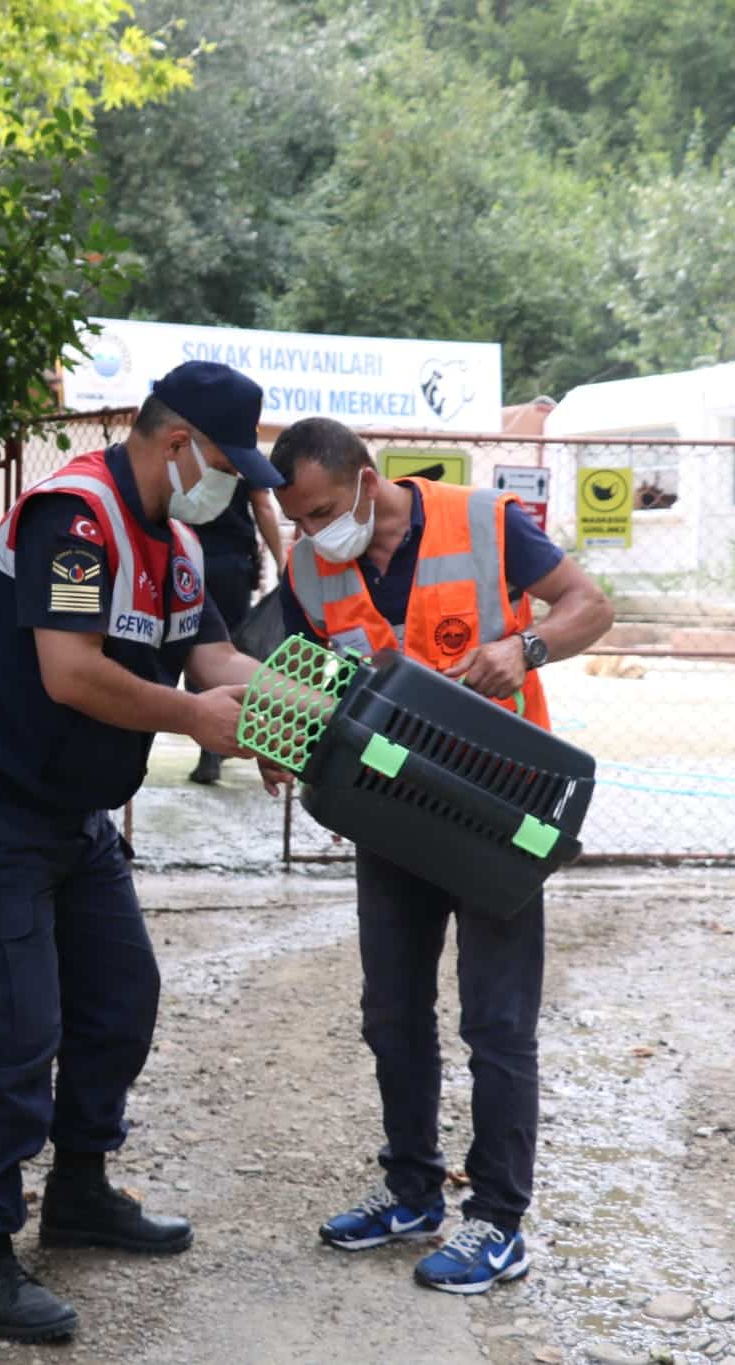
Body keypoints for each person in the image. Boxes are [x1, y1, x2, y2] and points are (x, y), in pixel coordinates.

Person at [0, 361, 287, 1343]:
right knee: (15, 1034)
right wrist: (198, 721)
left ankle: (76, 1193)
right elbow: (70, 674)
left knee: (119, 1003)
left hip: (73, 819)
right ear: (175, 445)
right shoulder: (73, 517)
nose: (231, 483)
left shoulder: (179, 548)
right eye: (225, 463)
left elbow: (215, 661)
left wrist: (303, 705)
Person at [267, 417, 612, 1295]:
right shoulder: (310, 569)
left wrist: (523, 647)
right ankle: (412, 1191)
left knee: (496, 1023)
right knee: (392, 1013)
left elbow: (591, 606)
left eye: (317, 512)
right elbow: (313, 673)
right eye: (296, 520)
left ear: (365, 479)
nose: (311, 534)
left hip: (500, 808)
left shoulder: (488, 520)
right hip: (391, 818)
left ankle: (497, 1221)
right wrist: (283, 732)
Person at [186, 477, 287, 784]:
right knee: (226, 649)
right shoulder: (240, 451)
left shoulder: (192, 447)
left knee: (196, 651)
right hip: (230, 566)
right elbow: (263, 507)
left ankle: (210, 749)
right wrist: (280, 559)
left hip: (190, 559)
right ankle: (223, 743)